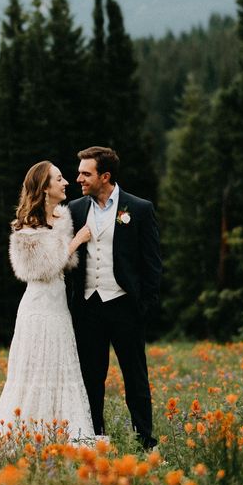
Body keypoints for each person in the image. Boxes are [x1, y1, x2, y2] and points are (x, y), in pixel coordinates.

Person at [0, 160, 94, 454]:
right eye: (59, 179)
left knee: (61, 370)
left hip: (59, 309)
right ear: (45, 188)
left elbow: (66, 264)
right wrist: (76, 241)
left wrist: (71, 243)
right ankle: (26, 435)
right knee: (35, 372)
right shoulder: (25, 232)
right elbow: (43, 269)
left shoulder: (61, 218)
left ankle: (61, 433)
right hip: (38, 310)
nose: (65, 182)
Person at [68, 146, 162, 449]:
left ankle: (144, 441)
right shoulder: (75, 209)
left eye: (86, 173)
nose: (79, 178)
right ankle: (95, 438)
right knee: (90, 378)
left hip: (125, 306)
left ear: (104, 176)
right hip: (88, 307)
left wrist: (144, 306)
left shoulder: (140, 208)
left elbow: (152, 263)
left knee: (135, 377)